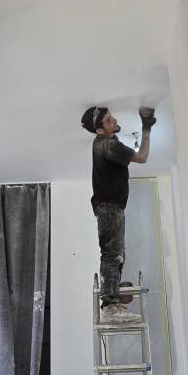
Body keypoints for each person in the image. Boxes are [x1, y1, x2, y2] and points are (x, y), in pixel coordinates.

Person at [80, 104, 156, 323]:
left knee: (115, 255)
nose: (114, 120)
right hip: (110, 208)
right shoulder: (110, 145)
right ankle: (110, 305)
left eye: (111, 117)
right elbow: (142, 157)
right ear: (99, 130)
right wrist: (146, 127)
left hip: (109, 208)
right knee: (113, 255)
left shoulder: (101, 142)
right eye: (108, 120)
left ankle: (111, 298)